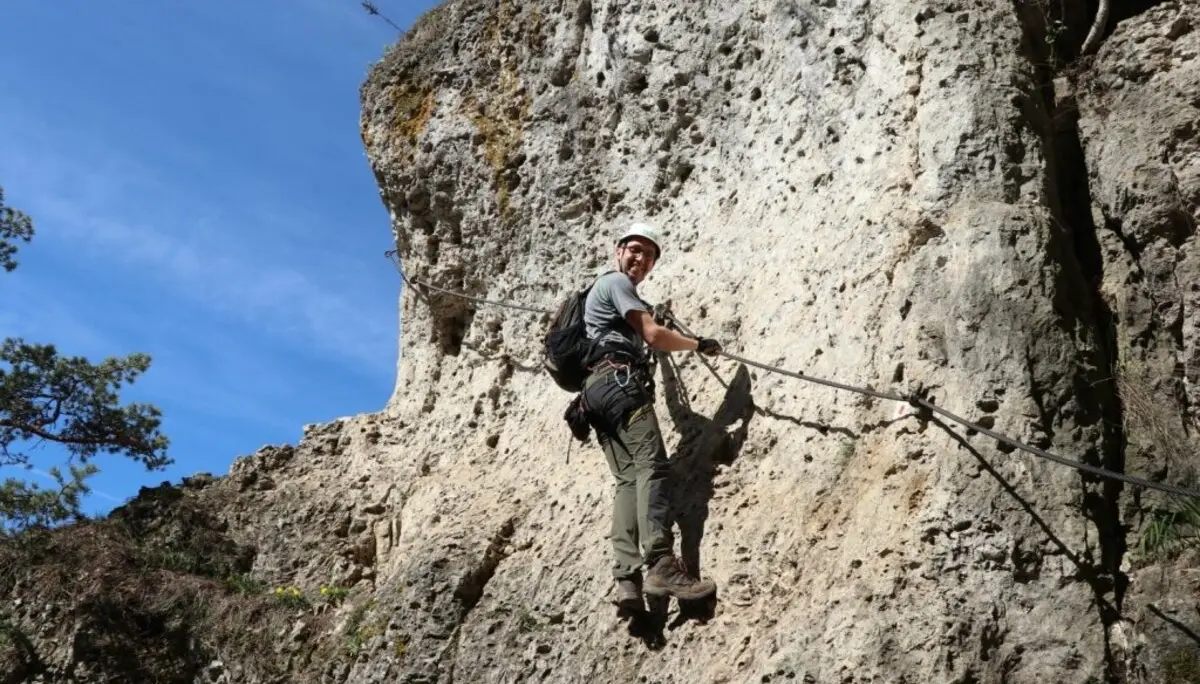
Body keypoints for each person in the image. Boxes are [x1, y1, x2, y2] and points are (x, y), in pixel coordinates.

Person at [580, 222, 723, 612]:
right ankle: (661, 562)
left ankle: (628, 580)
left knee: (628, 481)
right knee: (653, 469)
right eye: (635, 250)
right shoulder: (615, 283)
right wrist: (698, 344)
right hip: (620, 384)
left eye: (649, 255)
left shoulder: (600, 297)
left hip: (594, 394)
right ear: (618, 250)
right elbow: (654, 336)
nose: (640, 260)